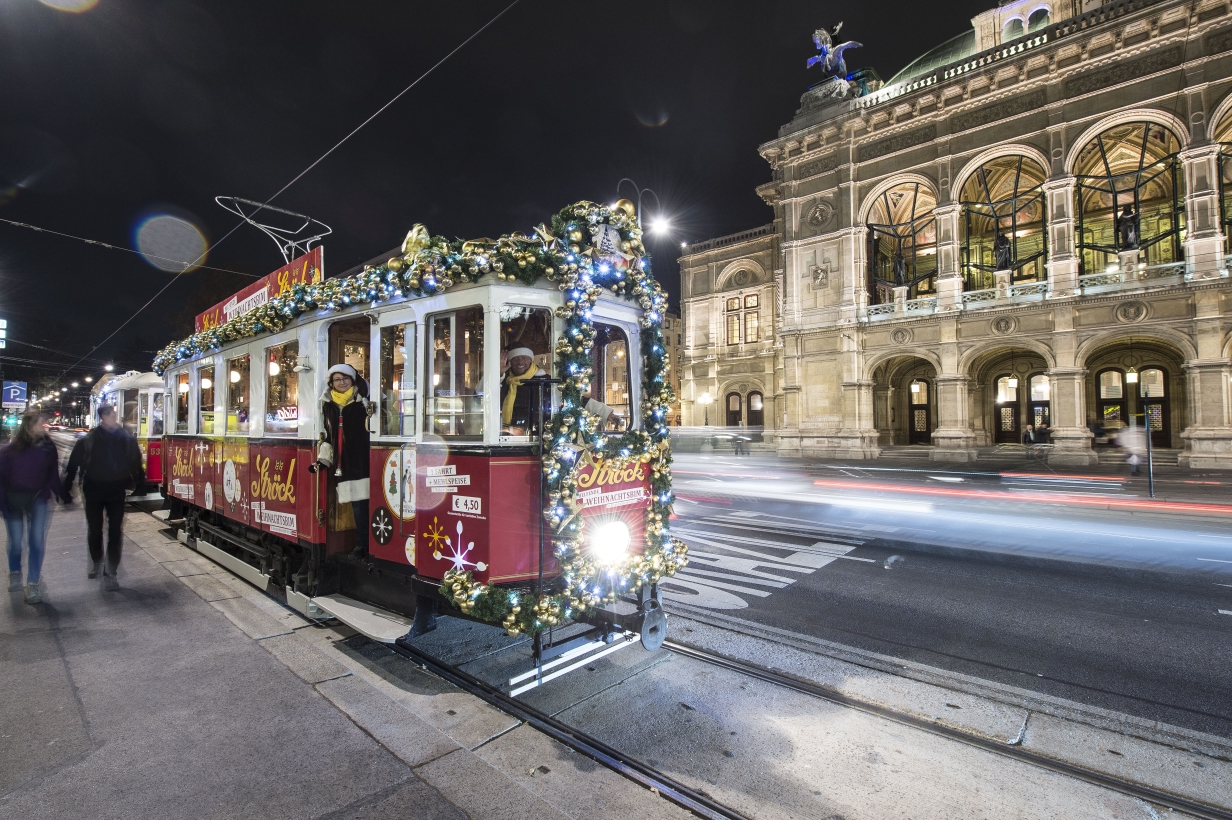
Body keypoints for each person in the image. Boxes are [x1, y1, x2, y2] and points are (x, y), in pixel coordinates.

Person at [62, 404, 144, 591]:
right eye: (112, 414)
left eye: (114, 414)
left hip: (116, 489)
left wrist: (140, 483)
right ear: (103, 417)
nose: (115, 417)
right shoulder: (90, 439)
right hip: (93, 489)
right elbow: (73, 464)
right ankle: (97, 561)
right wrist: (66, 488)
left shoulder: (125, 438)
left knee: (115, 531)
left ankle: (111, 572)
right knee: (95, 529)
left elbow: (135, 461)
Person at [2, 410, 63, 604]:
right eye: (40, 424)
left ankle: (33, 583)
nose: (43, 427)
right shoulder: (9, 451)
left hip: (38, 500)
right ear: (29, 427)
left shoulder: (48, 448)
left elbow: (52, 473)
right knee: (16, 542)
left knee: (36, 542)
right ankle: (15, 572)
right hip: (13, 500)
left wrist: (63, 494)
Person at [318, 364, 372, 558]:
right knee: (357, 505)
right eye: (337, 380)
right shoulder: (328, 403)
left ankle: (366, 545)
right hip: (345, 463)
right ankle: (362, 544)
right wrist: (323, 459)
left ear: (353, 379)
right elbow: (327, 433)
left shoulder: (364, 399)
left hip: (367, 458)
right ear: (331, 382)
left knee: (367, 504)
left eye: (345, 379)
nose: (341, 383)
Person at [500, 347, 545, 435]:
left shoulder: (543, 381)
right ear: (510, 362)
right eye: (515, 358)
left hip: (535, 436)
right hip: (506, 435)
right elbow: (479, 395)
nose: (520, 362)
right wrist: (499, 373)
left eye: (524, 358)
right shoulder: (505, 381)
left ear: (530, 361)